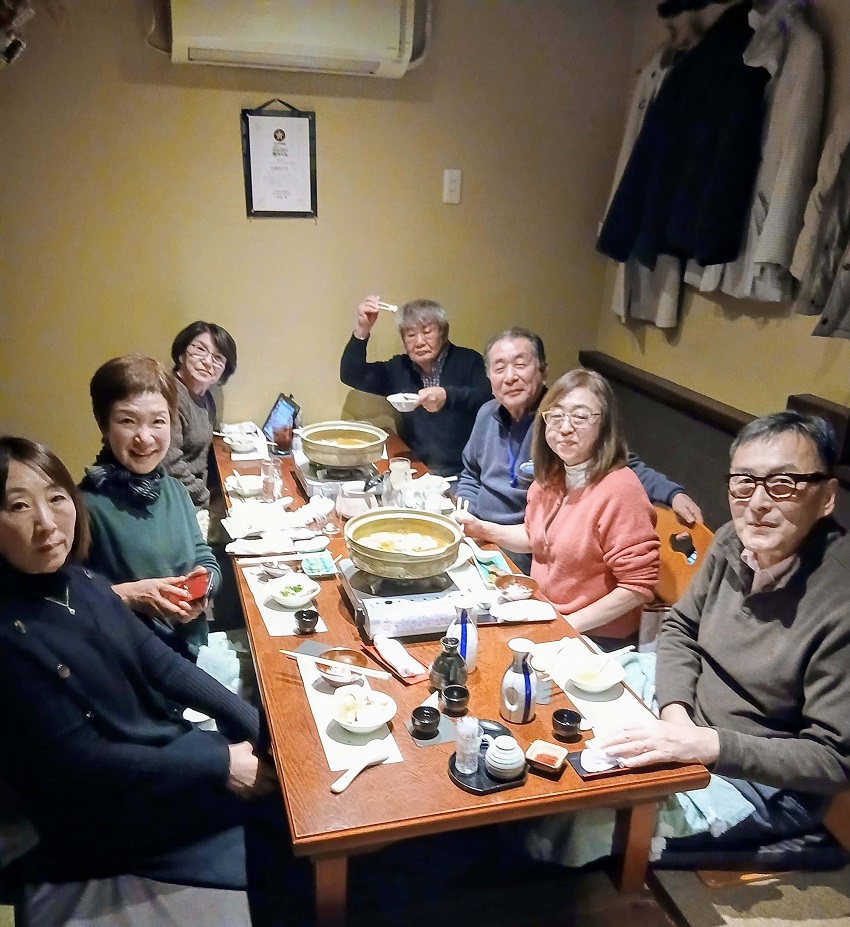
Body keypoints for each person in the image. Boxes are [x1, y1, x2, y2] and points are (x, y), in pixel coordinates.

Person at [0, 436, 299, 925]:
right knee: (282, 823)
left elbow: (161, 664)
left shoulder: (80, 583)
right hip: (101, 812)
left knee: (286, 772)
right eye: (18, 505)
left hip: (156, 756)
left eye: (55, 497)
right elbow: (84, 762)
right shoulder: (10, 634)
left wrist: (258, 727)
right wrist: (220, 760)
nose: (47, 522)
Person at [596, 411, 850, 856]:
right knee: (558, 714)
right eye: (744, 483)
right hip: (684, 714)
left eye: (783, 484)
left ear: (827, 497)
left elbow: (832, 760)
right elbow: (680, 627)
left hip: (756, 781)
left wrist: (704, 745)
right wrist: (676, 714)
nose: (758, 502)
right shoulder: (734, 540)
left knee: (579, 821)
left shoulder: (840, 597)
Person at [455, 328, 702, 570]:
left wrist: (673, 494)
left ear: (543, 371)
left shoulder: (559, 425)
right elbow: (470, 473)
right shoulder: (486, 414)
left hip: (525, 546)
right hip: (482, 533)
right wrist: (466, 512)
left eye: (520, 364)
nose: (510, 377)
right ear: (489, 378)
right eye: (499, 368)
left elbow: (617, 463)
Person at [457, 368, 660, 641]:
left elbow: (638, 587)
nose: (565, 428)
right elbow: (534, 536)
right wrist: (482, 529)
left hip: (594, 638)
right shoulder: (552, 476)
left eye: (580, 417)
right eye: (556, 416)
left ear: (604, 425)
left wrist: (566, 626)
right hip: (545, 612)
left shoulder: (620, 490)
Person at [80, 354, 222, 656]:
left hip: (193, 651)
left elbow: (203, 556)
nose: (144, 438)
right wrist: (130, 597)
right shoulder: (84, 508)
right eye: (127, 421)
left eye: (158, 421)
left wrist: (206, 586)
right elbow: (69, 604)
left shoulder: (174, 489)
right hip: (137, 666)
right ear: (104, 425)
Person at [339, 295, 492, 476]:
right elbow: (351, 374)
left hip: (462, 472)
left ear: (443, 333)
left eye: (427, 332)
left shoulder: (469, 361)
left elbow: (488, 397)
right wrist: (363, 329)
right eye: (411, 335)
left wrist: (447, 396)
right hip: (417, 468)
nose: (419, 342)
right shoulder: (400, 368)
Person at [164, 320, 238, 511]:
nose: (207, 362)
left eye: (218, 358)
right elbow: (169, 465)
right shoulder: (170, 397)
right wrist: (206, 499)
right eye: (200, 350)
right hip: (179, 502)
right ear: (181, 354)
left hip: (198, 493)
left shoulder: (206, 398)